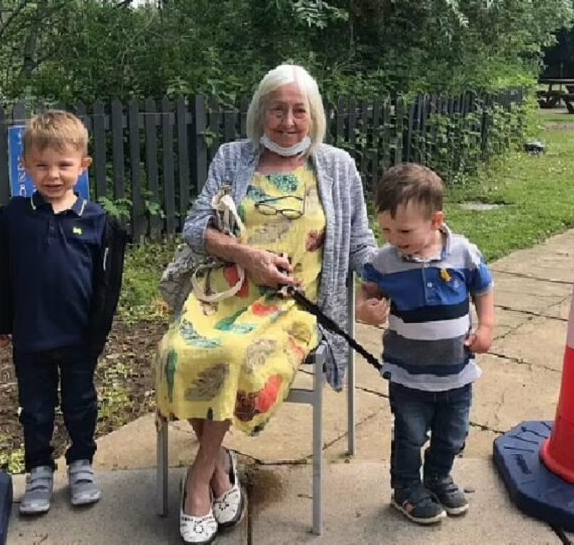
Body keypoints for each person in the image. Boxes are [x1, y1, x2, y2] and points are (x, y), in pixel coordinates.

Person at [155, 64, 387, 544]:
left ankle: (199, 477)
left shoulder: (337, 166)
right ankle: (220, 467)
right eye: (277, 110)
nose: (287, 121)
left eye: (299, 111)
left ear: (314, 115)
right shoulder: (232, 157)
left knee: (234, 355)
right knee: (175, 352)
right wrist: (246, 256)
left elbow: (360, 243)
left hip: (292, 306)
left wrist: (382, 283)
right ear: (260, 113)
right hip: (222, 293)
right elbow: (196, 227)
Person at [0, 111, 126, 516]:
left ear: (83, 165)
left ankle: (81, 463)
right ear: (25, 166)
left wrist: (98, 330)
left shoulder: (97, 221)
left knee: (80, 403)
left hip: (77, 337)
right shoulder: (12, 220)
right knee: (35, 409)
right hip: (31, 336)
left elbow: (106, 284)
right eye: (41, 165)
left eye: (63, 165)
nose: (53, 175)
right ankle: (38, 470)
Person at [356, 163, 495, 525]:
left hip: (457, 372)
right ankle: (405, 488)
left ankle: (437, 477)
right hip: (409, 375)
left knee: (453, 436)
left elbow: (483, 288)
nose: (393, 238)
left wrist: (487, 326)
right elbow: (366, 293)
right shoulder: (384, 262)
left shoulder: (463, 253)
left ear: (436, 221)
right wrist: (365, 310)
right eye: (385, 229)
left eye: (403, 230)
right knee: (410, 436)